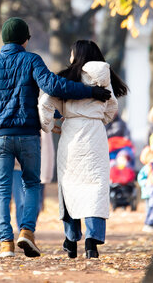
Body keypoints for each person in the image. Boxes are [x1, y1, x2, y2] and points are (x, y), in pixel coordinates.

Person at [0, 18, 111, 259]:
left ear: (4, 39)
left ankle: (5, 243)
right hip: (26, 133)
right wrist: (90, 91)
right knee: (31, 184)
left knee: (2, 188)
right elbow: (53, 85)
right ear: (25, 39)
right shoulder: (31, 60)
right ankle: (26, 231)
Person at [38, 39, 128, 260]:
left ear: (77, 55)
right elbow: (112, 107)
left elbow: (45, 103)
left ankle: (70, 239)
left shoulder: (66, 77)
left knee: (70, 186)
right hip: (95, 135)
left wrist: (48, 125)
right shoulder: (105, 78)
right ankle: (92, 242)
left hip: (71, 136)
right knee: (96, 187)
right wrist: (99, 119)